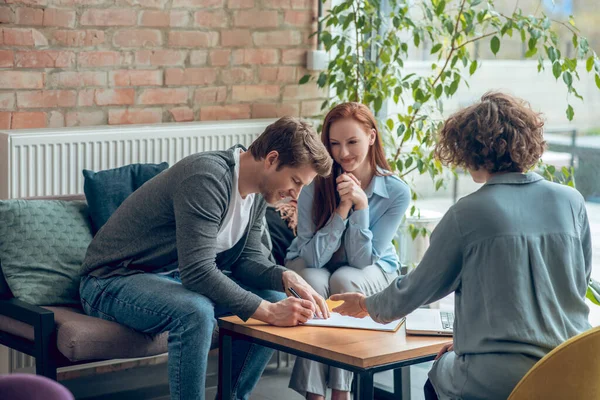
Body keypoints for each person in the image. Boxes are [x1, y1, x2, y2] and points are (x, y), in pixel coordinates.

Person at [330, 92, 592, 400]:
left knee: (438, 372)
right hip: (574, 367)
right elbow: (578, 279)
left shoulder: (467, 213)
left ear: (469, 149)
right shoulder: (572, 201)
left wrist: (363, 304)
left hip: (502, 379)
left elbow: (413, 292)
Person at [79, 117, 333, 400]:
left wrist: (286, 276)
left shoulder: (259, 194)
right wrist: (270, 313)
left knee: (275, 296)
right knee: (195, 311)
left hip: (167, 280)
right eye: (296, 181)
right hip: (110, 281)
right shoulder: (207, 177)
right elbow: (198, 272)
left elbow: (247, 260)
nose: (295, 194)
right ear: (272, 159)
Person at [285, 102, 411, 400]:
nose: (343, 154)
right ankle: (315, 396)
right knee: (313, 284)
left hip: (372, 270)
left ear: (371, 136)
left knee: (344, 281)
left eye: (352, 142)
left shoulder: (396, 192)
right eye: (334, 144)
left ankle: (342, 392)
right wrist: (342, 209)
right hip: (313, 264)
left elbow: (362, 259)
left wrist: (362, 207)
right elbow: (312, 257)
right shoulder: (314, 184)